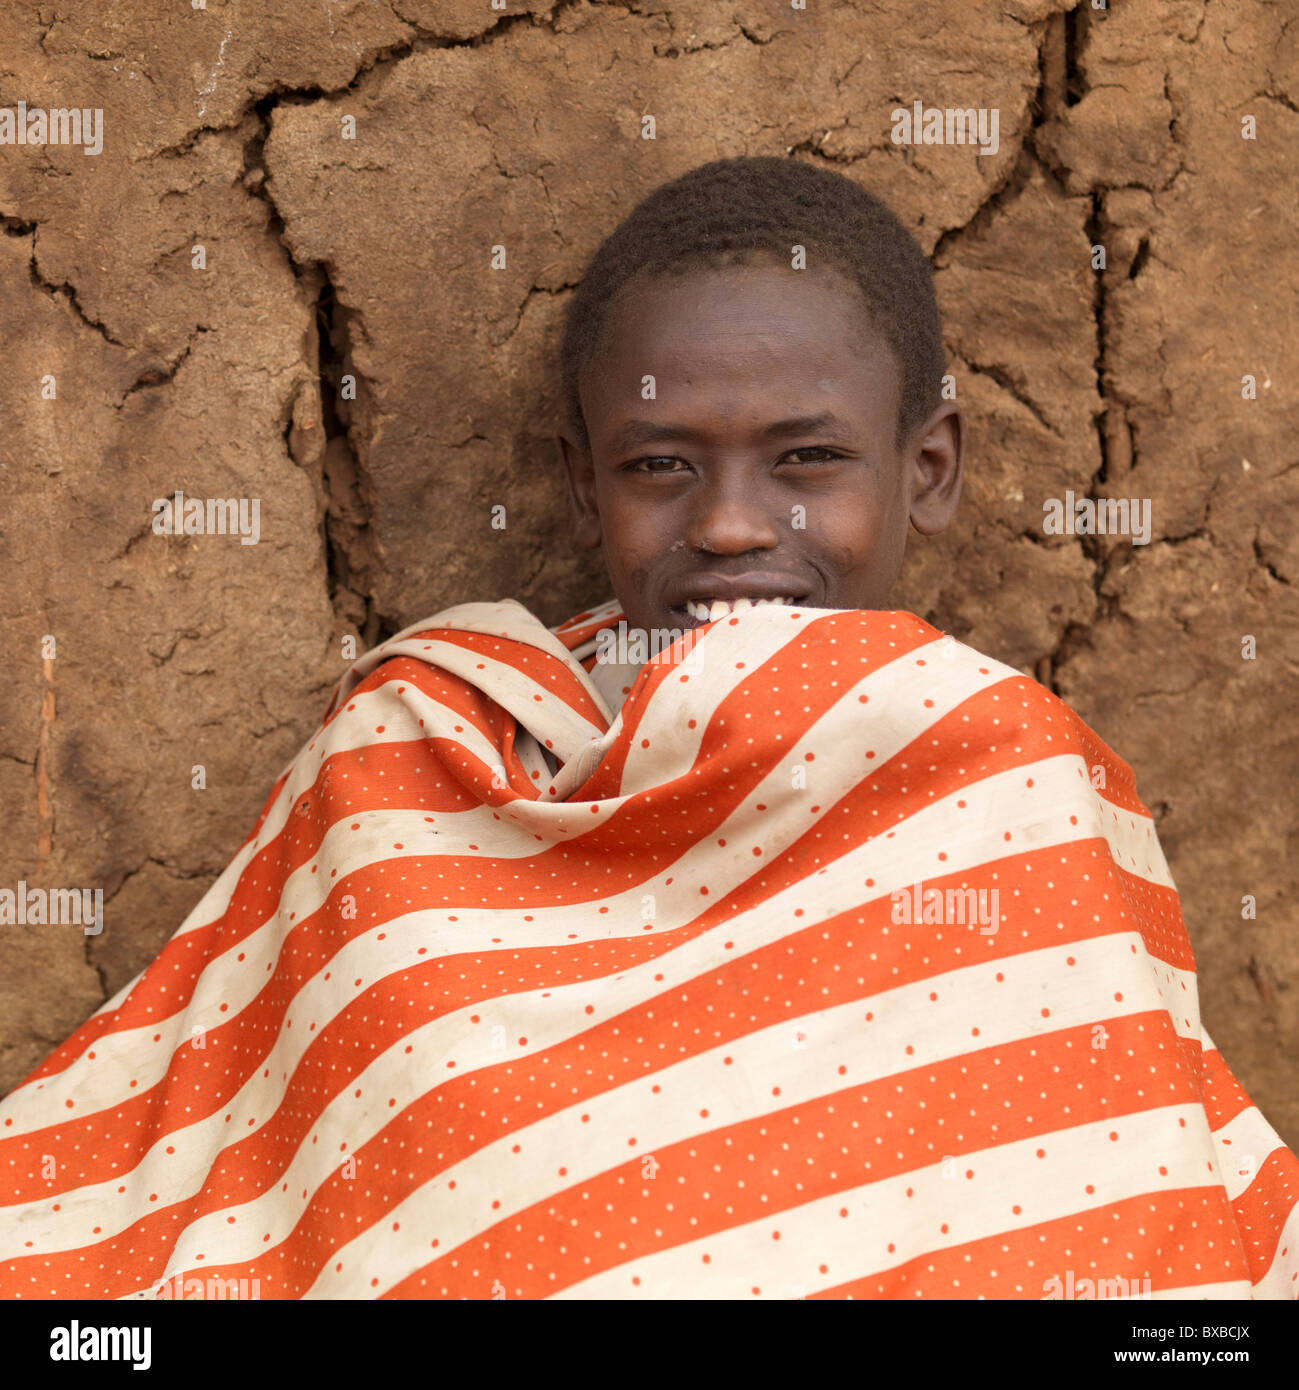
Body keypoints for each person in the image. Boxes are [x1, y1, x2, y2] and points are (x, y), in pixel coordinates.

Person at [1, 157, 1293, 1301]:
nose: (731, 524)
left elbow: (1111, 1199)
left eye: (805, 461)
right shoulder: (419, 754)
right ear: (583, 480)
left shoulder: (1005, 783)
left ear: (928, 468)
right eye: (662, 464)